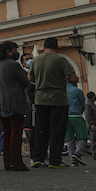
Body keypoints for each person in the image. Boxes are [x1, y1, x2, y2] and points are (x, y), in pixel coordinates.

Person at [28, 37, 79, 169]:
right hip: (58, 99)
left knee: (41, 129)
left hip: (40, 98)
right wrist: (65, 78)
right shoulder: (61, 59)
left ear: (44, 47)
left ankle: (38, 158)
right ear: (57, 47)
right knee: (57, 130)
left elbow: (30, 77)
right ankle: (55, 160)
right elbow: (74, 77)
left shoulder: (37, 59)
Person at [0, 41, 31, 171]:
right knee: (16, 132)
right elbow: (25, 83)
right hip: (14, 103)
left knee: (7, 132)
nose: (16, 52)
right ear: (9, 52)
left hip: (0, 102)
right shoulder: (13, 64)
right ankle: (17, 162)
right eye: (14, 49)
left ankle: (7, 162)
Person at [65, 78, 88, 166]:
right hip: (76, 115)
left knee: (70, 138)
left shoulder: (61, 91)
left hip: (65, 117)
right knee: (83, 135)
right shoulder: (77, 90)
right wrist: (80, 111)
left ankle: (73, 159)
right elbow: (82, 103)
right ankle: (78, 153)